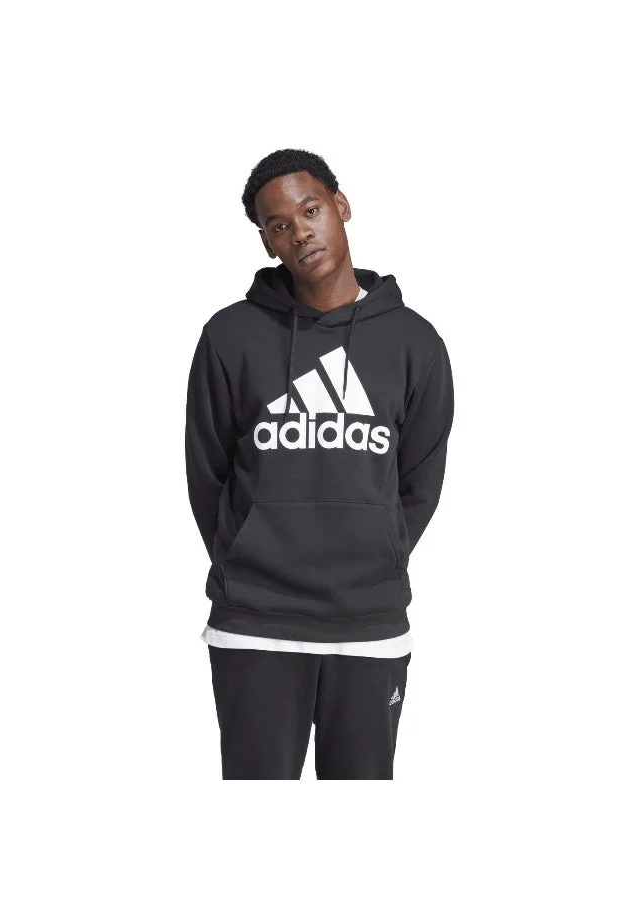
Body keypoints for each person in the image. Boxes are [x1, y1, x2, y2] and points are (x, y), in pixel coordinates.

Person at [185, 148, 455, 779]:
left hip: (370, 624)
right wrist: (247, 554)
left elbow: (420, 482)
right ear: (266, 242)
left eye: (310, 211)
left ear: (341, 206)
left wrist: (377, 551)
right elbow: (207, 473)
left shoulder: (415, 343)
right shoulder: (230, 337)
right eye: (278, 225)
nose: (300, 232)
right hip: (254, 625)